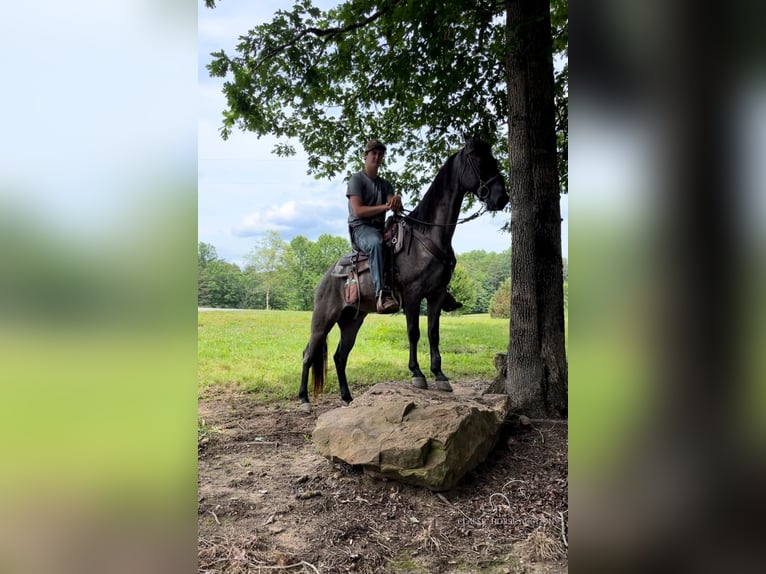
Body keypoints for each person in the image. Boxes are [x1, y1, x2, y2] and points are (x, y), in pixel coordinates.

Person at [347, 139, 403, 314]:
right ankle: (382, 294)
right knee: (376, 243)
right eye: (374, 153)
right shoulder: (356, 179)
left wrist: (396, 200)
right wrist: (385, 207)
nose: (377, 157)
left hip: (381, 227)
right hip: (361, 228)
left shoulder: (386, 184)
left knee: (408, 237)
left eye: (381, 154)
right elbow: (358, 211)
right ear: (365, 156)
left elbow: (392, 205)